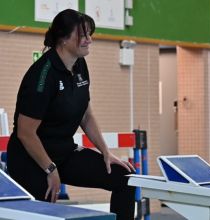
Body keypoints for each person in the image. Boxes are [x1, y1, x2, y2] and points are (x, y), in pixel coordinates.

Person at [6, 9, 135, 220]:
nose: (89, 40)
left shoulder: (79, 65)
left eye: (89, 34)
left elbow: (86, 115)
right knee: (47, 208)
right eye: (83, 35)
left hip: (63, 152)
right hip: (31, 159)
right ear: (64, 39)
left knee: (124, 177)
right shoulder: (42, 75)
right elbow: (26, 133)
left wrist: (105, 153)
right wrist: (50, 169)